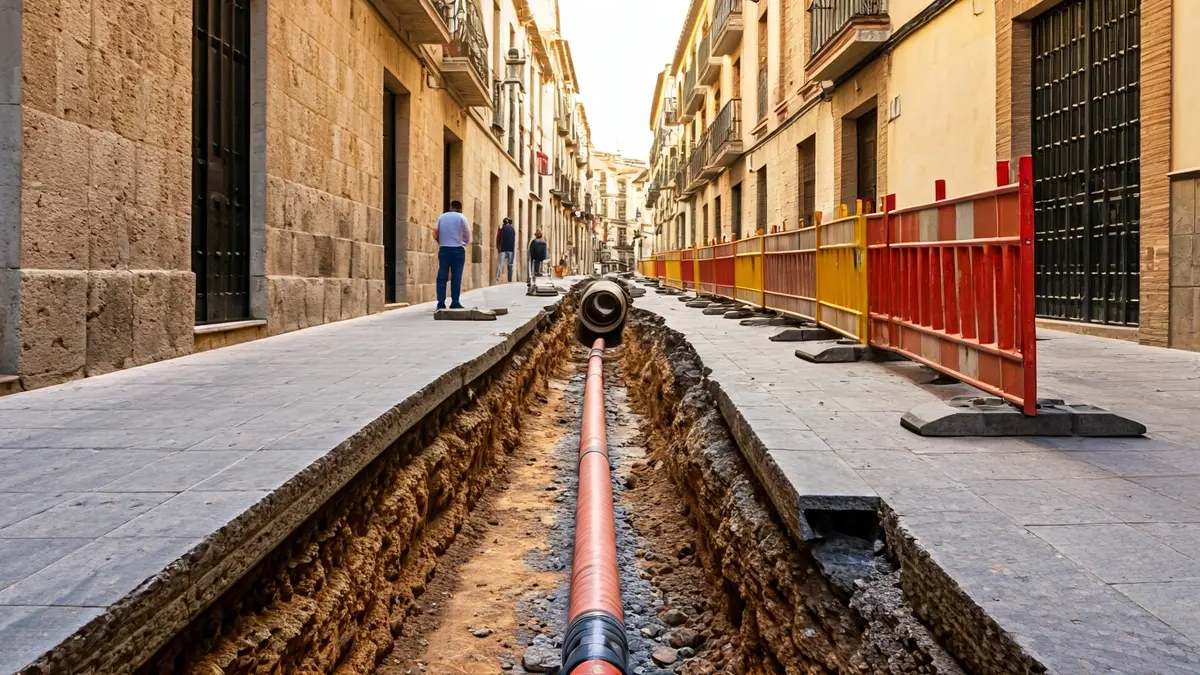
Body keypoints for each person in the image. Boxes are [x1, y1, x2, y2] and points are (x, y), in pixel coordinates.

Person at [434, 200, 471, 310]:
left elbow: (435, 231)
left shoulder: (441, 217)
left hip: (444, 249)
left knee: (442, 276)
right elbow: (467, 234)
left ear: (451, 207)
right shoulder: (461, 217)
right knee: (456, 276)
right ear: (460, 208)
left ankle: (441, 302)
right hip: (458, 250)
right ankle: (455, 302)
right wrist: (464, 242)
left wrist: (440, 241)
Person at [496, 217, 516, 282]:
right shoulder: (512, 229)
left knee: (500, 264)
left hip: (502, 249)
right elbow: (514, 241)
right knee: (510, 265)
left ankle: (498, 278)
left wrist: (498, 247)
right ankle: (510, 279)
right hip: (510, 249)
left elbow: (498, 238)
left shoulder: (502, 229)